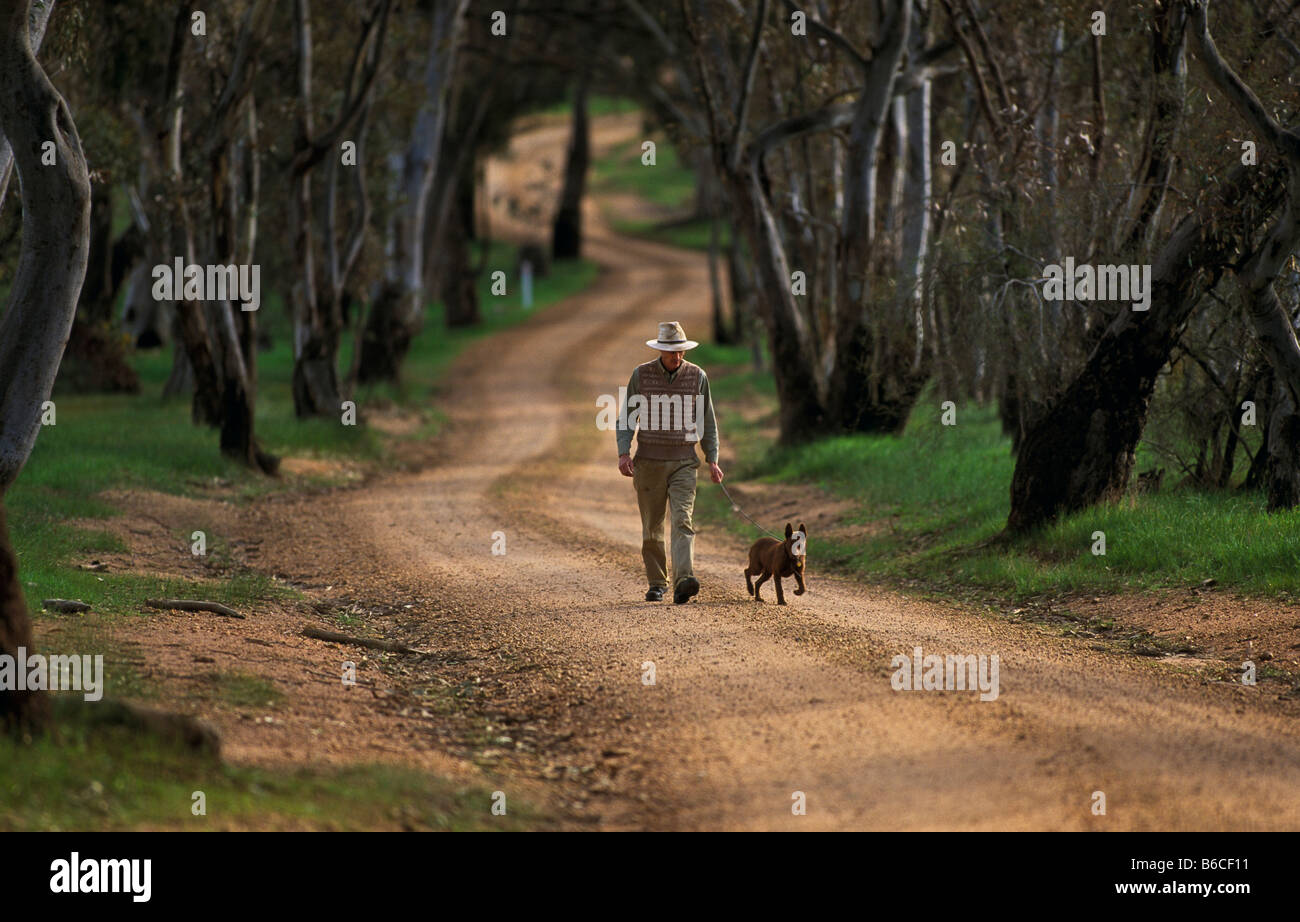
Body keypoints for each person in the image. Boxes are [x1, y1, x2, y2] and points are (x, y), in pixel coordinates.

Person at [616, 321, 724, 604]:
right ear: (660, 351)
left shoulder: (697, 376)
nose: (677, 357)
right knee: (652, 527)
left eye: (680, 352)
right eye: (671, 352)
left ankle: (683, 580)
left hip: (684, 463)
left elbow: (707, 421)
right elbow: (627, 418)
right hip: (649, 462)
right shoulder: (641, 376)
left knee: (682, 520)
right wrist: (623, 452)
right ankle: (656, 582)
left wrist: (712, 459)